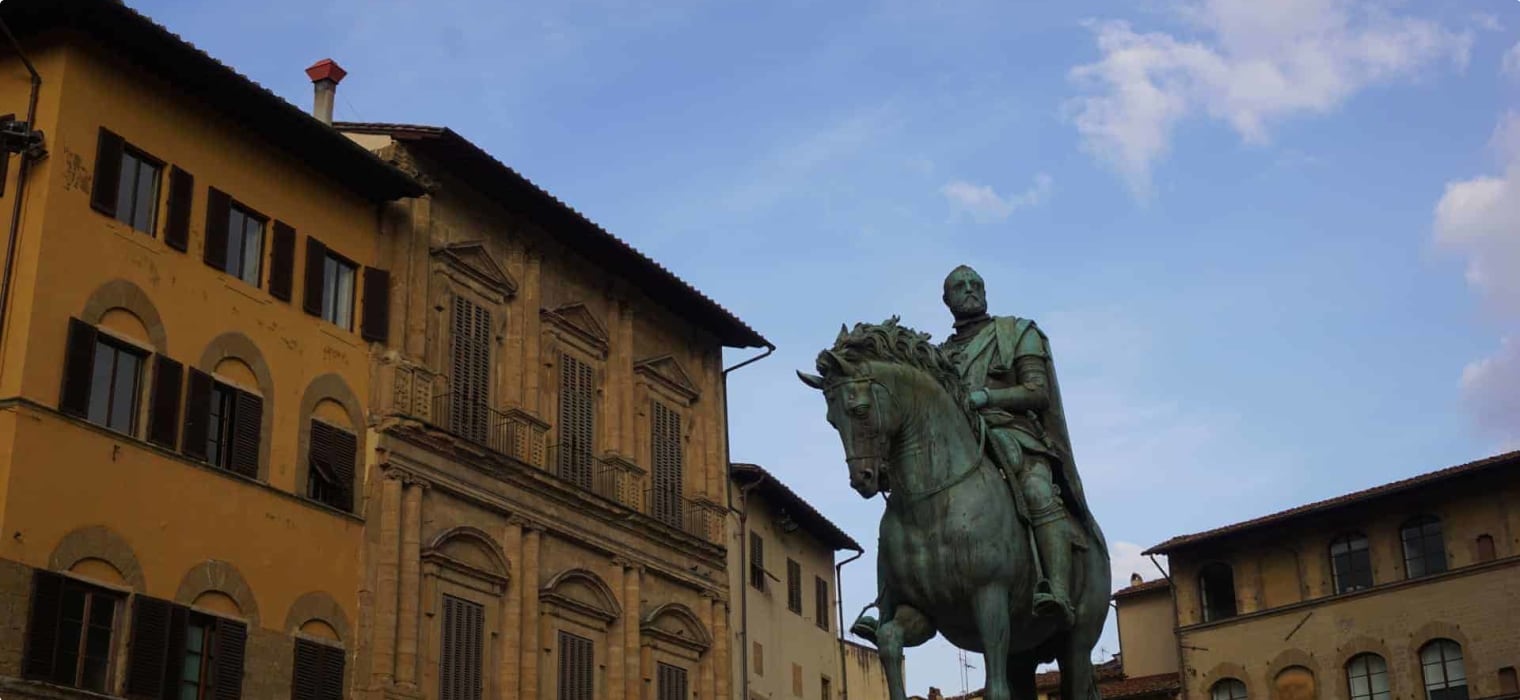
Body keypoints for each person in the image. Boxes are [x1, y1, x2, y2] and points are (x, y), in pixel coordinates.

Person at [937, 264, 1101, 628]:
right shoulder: (941, 355)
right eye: (960, 287)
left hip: (1015, 436)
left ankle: (1058, 590)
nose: (969, 290)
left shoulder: (1017, 332)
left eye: (975, 284)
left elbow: (1036, 392)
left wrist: (984, 396)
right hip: (961, 446)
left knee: (1038, 490)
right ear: (946, 300)